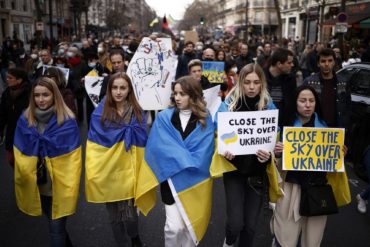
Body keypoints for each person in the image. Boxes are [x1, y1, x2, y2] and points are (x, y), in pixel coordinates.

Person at [135, 76, 215, 247]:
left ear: (193, 96)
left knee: (189, 227)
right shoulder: (164, 118)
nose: (177, 97)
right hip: (170, 180)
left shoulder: (206, 119)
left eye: (182, 94)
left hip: (195, 182)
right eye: (175, 93)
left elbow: (205, 153)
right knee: (173, 228)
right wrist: (183, 158)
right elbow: (157, 148)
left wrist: (177, 156)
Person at [271, 85, 351, 247]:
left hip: (317, 187)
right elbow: (273, 162)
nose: (307, 105)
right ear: (295, 103)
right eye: (302, 101)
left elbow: (331, 165)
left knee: (312, 239)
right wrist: (277, 152)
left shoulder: (326, 130)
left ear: (316, 103)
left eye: (311, 101)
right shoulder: (284, 126)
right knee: (285, 235)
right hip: (291, 187)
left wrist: (340, 153)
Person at [13, 77, 81, 247]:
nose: (41, 100)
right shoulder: (25, 120)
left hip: (59, 184)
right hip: (38, 184)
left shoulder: (67, 121)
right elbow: (20, 152)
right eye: (37, 95)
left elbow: (73, 158)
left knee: (55, 228)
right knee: (54, 224)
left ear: (54, 96)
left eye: (45, 95)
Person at [218, 63, 281, 247]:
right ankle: (229, 241)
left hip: (257, 173)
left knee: (251, 227)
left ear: (262, 83)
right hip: (233, 170)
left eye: (256, 82)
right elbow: (218, 133)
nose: (252, 87)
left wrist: (269, 153)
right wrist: (224, 150)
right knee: (235, 223)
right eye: (247, 82)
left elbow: (272, 140)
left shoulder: (268, 107)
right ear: (240, 83)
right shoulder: (228, 106)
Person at [85, 72, 146, 247]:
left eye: (123, 88)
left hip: (130, 169)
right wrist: (94, 170)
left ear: (129, 90)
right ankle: (123, 243)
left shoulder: (137, 112)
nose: (118, 92)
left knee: (131, 215)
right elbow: (95, 146)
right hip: (109, 170)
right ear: (109, 89)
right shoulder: (99, 114)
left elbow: (143, 142)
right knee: (113, 217)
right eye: (114, 87)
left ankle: (134, 237)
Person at [303, 48, 351, 129]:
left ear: (334, 62)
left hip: (337, 127)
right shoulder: (309, 82)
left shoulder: (343, 82)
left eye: (330, 60)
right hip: (315, 126)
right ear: (318, 63)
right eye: (323, 61)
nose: (326, 64)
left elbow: (348, 105)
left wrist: (346, 123)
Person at [0, 68, 30, 167]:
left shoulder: (30, 93)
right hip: (11, 134)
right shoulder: (6, 93)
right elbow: (2, 114)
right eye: (7, 77)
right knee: (11, 160)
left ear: (19, 80)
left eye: (10, 78)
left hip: (27, 134)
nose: (7, 79)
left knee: (26, 163)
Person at [264, 48, 296, 127]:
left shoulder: (290, 78)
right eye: (289, 63)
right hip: (264, 124)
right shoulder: (260, 77)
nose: (292, 65)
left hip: (284, 124)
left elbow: (292, 103)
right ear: (279, 64)